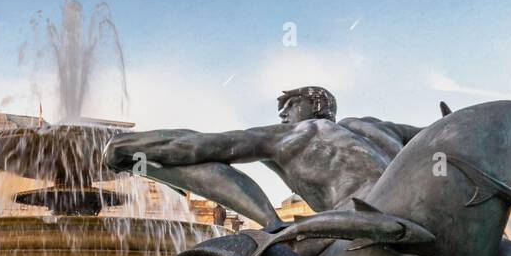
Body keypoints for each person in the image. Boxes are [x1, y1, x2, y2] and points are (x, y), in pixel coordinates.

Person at [105, 86, 431, 230]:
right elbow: (440, 133)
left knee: (200, 160)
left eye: (289, 105)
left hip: (357, 220)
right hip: (414, 214)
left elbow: (197, 146)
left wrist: (135, 149)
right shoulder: (374, 127)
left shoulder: (292, 135)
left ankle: (137, 159)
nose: (282, 113)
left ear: (314, 106)